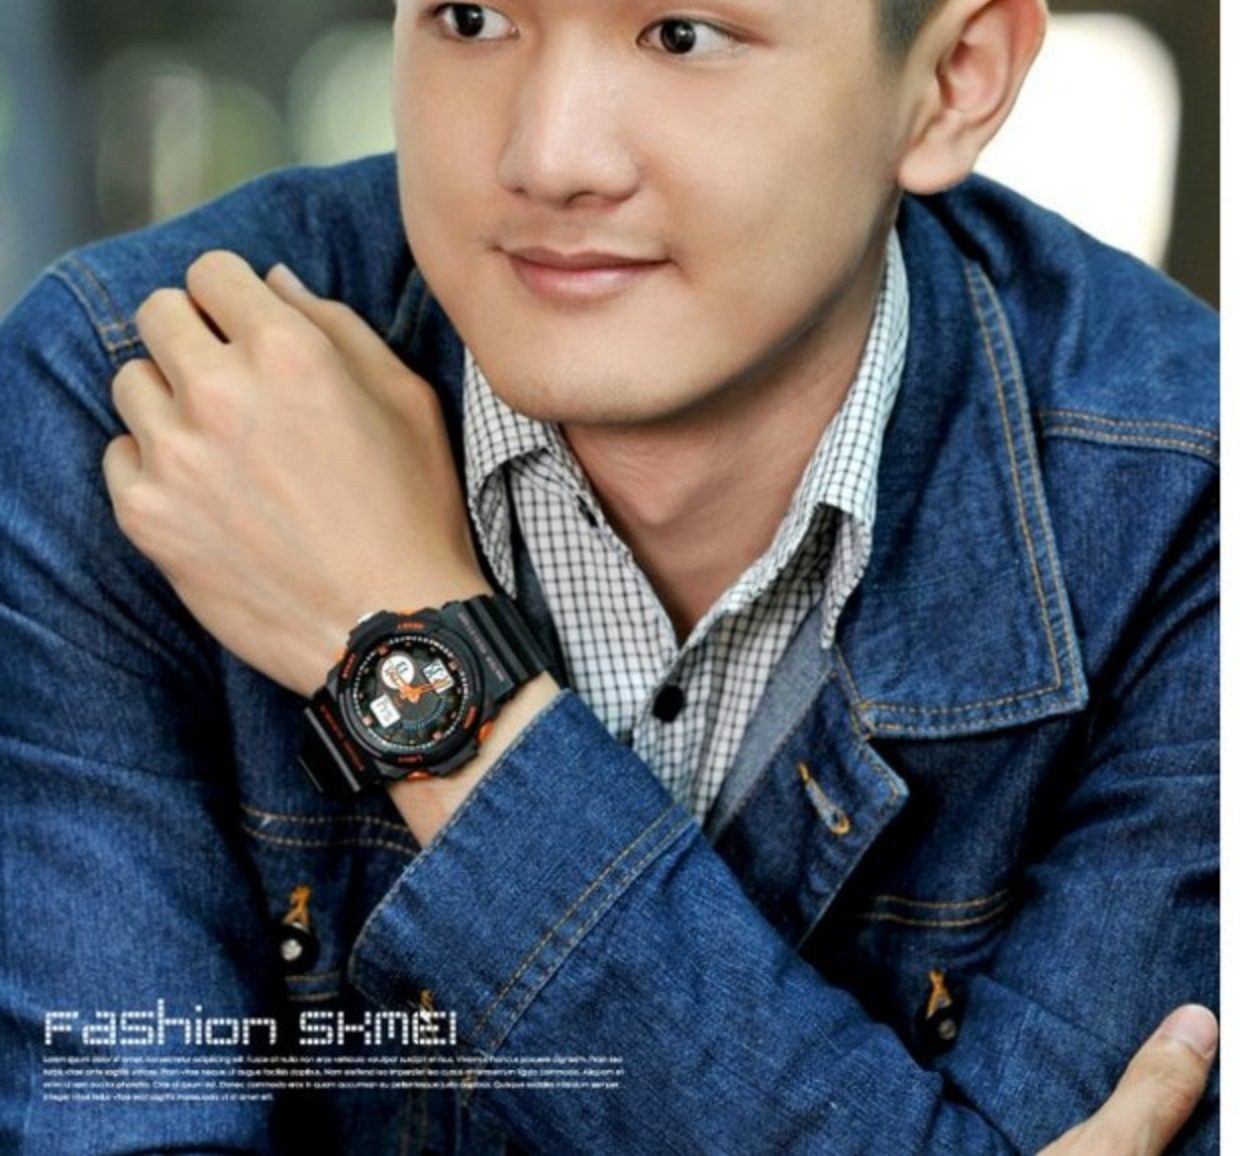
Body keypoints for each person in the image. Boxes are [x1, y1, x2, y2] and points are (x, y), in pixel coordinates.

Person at [0, 0, 1218, 1152]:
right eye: (472, 19)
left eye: (680, 34)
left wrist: (413, 659)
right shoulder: (147, 407)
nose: (548, 158)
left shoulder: (1183, 505)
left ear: (953, 79)